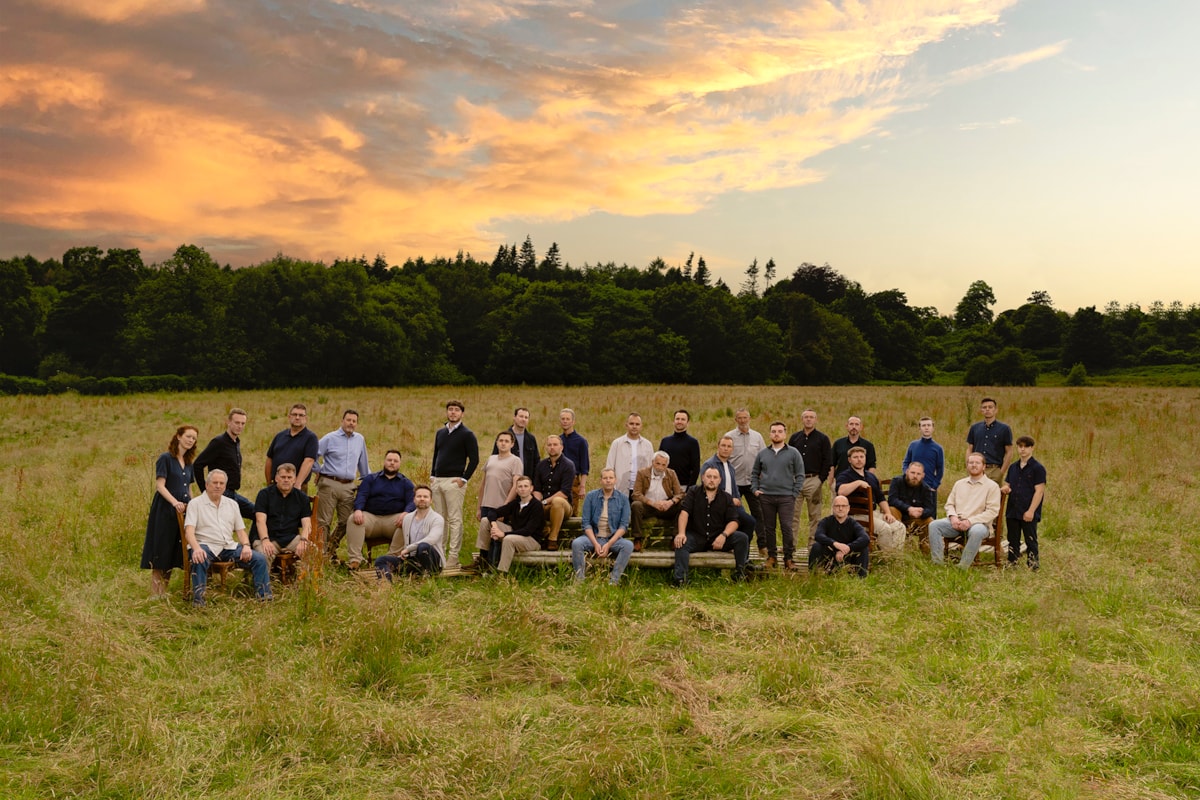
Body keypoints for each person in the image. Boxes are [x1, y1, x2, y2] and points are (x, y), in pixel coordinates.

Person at [183, 469, 271, 607]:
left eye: (221, 483)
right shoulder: (195, 504)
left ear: (225, 486)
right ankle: (199, 602)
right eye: (215, 483)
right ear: (207, 485)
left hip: (228, 547)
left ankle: (264, 598)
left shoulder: (232, 504)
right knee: (199, 558)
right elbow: (189, 532)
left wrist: (246, 546)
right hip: (204, 545)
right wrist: (196, 548)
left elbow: (241, 531)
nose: (218, 486)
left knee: (259, 558)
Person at [141, 424, 198, 597]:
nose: (191, 440)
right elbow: (160, 486)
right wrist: (175, 502)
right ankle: (155, 594)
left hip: (182, 512)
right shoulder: (165, 458)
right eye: (188, 436)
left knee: (173, 551)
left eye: (194, 438)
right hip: (165, 510)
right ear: (179, 436)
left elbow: (188, 489)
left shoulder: (188, 463)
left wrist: (193, 505)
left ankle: (163, 592)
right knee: (161, 551)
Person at [672, 466, 752, 586]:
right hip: (697, 536)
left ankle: (739, 574)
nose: (712, 480)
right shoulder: (693, 492)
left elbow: (734, 521)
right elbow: (684, 513)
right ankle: (681, 579)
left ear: (720, 480)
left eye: (715, 477)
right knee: (681, 542)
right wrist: (681, 533)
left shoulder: (726, 497)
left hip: (717, 538)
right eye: (709, 477)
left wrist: (724, 535)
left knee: (742, 538)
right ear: (703, 478)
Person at [345, 449, 416, 570]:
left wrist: (406, 513)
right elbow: (361, 495)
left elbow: (412, 501)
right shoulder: (370, 479)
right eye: (389, 460)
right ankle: (355, 560)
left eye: (395, 461)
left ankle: (391, 559)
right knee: (353, 519)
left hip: (393, 521)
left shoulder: (406, 483)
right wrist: (358, 510)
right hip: (371, 518)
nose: (392, 463)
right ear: (384, 461)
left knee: (408, 521)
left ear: (400, 464)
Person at [928, 453, 1002, 568]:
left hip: (979, 524)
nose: (974, 465)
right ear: (967, 466)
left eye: (977, 463)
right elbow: (949, 504)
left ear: (984, 466)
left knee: (977, 531)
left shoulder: (992, 486)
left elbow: (992, 511)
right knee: (934, 525)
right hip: (957, 523)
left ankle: (962, 566)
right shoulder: (959, 484)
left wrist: (970, 521)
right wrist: (953, 517)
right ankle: (937, 563)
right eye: (971, 462)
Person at [313, 409, 370, 557]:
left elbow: (363, 464)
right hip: (329, 483)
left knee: (347, 521)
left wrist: (368, 482)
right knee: (323, 521)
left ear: (357, 424)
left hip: (349, 486)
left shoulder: (360, 440)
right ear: (342, 421)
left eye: (354, 421)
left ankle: (330, 548)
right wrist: (318, 470)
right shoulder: (330, 438)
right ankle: (321, 554)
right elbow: (312, 455)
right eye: (348, 420)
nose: (351, 423)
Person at [430, 400, 479, 567]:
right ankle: (439, 554)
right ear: (447, 412)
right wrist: (432, 475)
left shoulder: (467, 434)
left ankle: (453, 557)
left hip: (454, 482)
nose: (453, 412)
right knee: (439, 519)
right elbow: (436, 455)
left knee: (454, 520)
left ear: (462, 414)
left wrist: (464, 479)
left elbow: (474, 459)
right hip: (438, 481)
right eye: (450, 409)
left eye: (456, 410)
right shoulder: (440, 433)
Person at [750, 421, 805, 570]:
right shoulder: (763, 453)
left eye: (780, 431)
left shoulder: (793, 453)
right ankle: (772, 557)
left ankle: (788, 559)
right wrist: (755, 489)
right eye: (774, 431)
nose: (776, 434)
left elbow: (800, 474)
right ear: (770, 434)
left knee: (786, 527)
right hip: (766, 496)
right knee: (769, 528)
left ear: (785, 434)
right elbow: (754, 473)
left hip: (786, 497)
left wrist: (794, 493)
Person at [836, 447, 907, 552]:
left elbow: (880, 498)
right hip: (856, 515)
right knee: (885, 529)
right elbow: (841, 491)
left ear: (865, 458)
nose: (859, 460)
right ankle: (886, 557)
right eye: (855, 457)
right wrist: (858, 483)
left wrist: (888, 513)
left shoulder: (871, 476)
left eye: (861, 457)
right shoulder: (844, 476)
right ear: (849, 460)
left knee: (900, 527)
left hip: (874, 513)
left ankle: (894, 555)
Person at [571, 468, 634, 585]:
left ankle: (614, 580)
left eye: (611, 478)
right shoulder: (591, 496)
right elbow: (586, 523)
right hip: (593, 537)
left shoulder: (623, 499)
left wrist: (608, 544)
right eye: (605, 478)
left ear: (615, 480)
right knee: (577, 543)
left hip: (612, 538)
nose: (608, 480)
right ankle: (580, 580)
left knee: (628, 545)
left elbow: (623, 526)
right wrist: (595, 544)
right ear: (600, 480)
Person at [193, 408, 255, 522]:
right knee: (224, 525)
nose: (240, 426)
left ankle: (255, 535)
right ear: (228, 422)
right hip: (220, 493)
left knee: (258, 513)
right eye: (237, 423)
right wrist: (205, 490)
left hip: (232, 493)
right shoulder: (219, 442)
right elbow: (198, 465)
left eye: (243, 423)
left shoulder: (236, 442)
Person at [473, 431, 523, 567]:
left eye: (507, 441)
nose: (503, 443)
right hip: (486, 504)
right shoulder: (491, 459)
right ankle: (482, 564)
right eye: (501, 440)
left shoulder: (515, 461)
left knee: (496, 536)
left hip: (500, 506)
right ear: (496, 443)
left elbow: (515, 485)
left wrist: (504, 508)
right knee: (485, 534)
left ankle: (493, 566)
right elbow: (483, 484)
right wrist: (479, 507)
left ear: (512, 444)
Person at [374, 485, 445, 580]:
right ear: (414, 499)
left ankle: (427, 576)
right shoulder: (407, 518)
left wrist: (408, 549)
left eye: (425, 497)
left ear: (431, 500)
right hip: (411, 560)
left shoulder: (437, 519)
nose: (422, 499)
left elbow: (431, 539)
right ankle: (386, 583)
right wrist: (403, 554)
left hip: (431, 561)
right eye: (419, 496)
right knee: (381, 560)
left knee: (423, 547)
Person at [253, 462, 313, 570]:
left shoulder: (302, 497)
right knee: (263, 556)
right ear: (276, 478)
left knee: (313, 552)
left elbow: (307, 523)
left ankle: (304, 580)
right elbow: (260, 521)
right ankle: (263, 581)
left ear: (294, 480)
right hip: (268, 537)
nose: (286, 480)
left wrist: (303, 540)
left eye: (289, 477)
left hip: (290, 538)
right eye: (283, 477)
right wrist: (265, 540)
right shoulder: (264, 494)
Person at [1001, 436, 1046, 570]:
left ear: (1032, 448)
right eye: (1020, 446)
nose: (1023, 449)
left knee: (1030, 538)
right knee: (1012, 538)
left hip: (1028, 509)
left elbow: (1039, 491)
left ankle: (1033, 565)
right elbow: (1008, 484)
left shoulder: (1038, 468)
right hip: (1013, 509)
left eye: (1026, 446)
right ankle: (1012, 562)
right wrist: (1005, 488)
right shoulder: (1013, 467)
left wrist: (1031, 511)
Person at [788, 409, 833, 546]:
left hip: (814, 480)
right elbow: (788, 458)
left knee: (815, 516)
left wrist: (820, 479)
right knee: (792, 515)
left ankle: (813, 547)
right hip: (796, 481)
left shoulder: (823, 439)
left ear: (815, 420)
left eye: (811, 417)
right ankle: (791, 546)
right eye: (806, 417)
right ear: (802, 419)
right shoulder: (794, 438)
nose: (808, 419)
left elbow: (827, 460)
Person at [725, 408, 766, 554]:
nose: (743, 421)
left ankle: (762, 545)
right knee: (732, 513)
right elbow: (724, 456)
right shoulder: (729, 436)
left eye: (745, 418)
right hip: (734, 482)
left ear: (749, 418)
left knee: (758, 513)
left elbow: (763, 457)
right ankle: (732, 543)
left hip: (752, 482)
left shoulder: (757, 437)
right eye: (740, 418)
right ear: (736, 420)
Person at [486, 475, 546, 573]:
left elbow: (528, 530)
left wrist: (503, 534)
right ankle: (484, 557)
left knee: (508, 539)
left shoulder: (536, 506)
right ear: (516, 490)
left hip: (532, 540)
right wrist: (495, 526)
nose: (523, 489)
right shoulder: (516, 503)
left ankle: (501, 573)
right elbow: (493, 512)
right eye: (520, 486)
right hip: (516, 534)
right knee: (485, 521)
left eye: (526, 486)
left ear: (531, 488)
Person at [699, 435, 757, 536]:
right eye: (723, 445)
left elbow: (735, 488)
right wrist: (729, 500)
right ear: (718, 447)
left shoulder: (730, 467)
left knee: (749, 522)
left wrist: (738, 502)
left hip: (732, 505)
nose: (726, 449)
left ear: (732, 449)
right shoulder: (709, 465)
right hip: (717, 505)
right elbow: (707, 488)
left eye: (729, 446)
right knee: (747, 522)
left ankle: (740, 545)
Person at [629, 451, 685, 551]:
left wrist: (670, 502)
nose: (660, 467)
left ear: (667, 465)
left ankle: (675, 538)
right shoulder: (642, 473)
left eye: (663, 465)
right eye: (658, 463)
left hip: (665, 506)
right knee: (636, 505)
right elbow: (636, 494)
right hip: (649, 506)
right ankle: (637, 539)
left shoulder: (671, 473)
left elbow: (680, 493)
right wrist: (652, 503)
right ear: (652, 462)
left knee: (682, 504)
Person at [532, 434, 576, 551]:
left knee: (557, 501)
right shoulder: (541, 465)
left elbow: (564, 492)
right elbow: (537, 489)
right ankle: (539, 535)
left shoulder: (568, 465)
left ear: (561, 447)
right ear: (546, 447)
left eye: (555, 445)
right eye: (549, 445)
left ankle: (552, 539)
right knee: (531, 505)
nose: (552, 447)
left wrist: (544, 502)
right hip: (545, 506)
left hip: (563, 506)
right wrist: (537, 503)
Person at [809, 496, 870, 578]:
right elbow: (818, 535)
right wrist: (835, 544)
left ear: (848, 508)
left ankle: (861, 578)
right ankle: (814, 576)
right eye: (837, 506)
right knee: (816, 546)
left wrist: (847, 548)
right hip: (830, 558)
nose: (840, 509)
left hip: (848, 559)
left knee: (864, 548)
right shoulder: (826, 521)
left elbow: (865, 538)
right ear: (833, 508)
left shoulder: (853, 524)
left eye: (843, 506)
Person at [264, 403, 318, 489]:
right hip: (276, 485)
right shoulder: (280, 436)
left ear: (306, 418)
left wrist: (297, 484)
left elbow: (309, 461)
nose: (297, 417)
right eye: (294, 414)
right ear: (289, 417)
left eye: (301, 415)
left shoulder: (310, 438)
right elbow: (269, 458)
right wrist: (269, 482)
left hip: (296, 486)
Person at [604, 413, 654, 495]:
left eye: (637, 424)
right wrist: (611, 486)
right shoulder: (617, 443)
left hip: (641, 491)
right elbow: (609, 467)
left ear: (641, 426)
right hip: (620, 489)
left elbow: (651, 468)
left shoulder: (648, 445)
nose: (634, 426)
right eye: (631, 424)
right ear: (626, 425)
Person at [967, 397, 1014, 484]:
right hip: (977, 468)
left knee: (993, 493)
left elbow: (1009, 452)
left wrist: (1001, 472)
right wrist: (969, 467)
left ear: (995, 410)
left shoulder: (1004, 429)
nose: (987, 409)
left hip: (994, 469)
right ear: (981, 410)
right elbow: (970, 449)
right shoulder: (975, 428)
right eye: (984, 407)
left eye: (990, 407)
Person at [888, 461, 937, 542]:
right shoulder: (897, 481)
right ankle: (897, 543)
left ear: (923, 475)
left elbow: (930, 508)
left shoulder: (926, 489)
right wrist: (909, 509)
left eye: (918, 474)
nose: (915, 476)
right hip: (899, 516)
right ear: (907, 472)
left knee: (930, 521)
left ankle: (925, 547)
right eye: (912, 473)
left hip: (915, 519)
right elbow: (892, 500)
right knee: (892, 509)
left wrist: (921, 512)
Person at [492, 407, 540, 479]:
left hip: (526, 481)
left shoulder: (531, 439)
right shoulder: (503, 437)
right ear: (514, 417)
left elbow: (536, 461)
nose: (523, 419)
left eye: (526, 417)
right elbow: (495, 458)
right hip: (507, 479)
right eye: (521, 416)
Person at [558, 408, 590, 514]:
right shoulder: (558, 440)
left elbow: (585, 467)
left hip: (573, 481)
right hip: (558, 480)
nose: (565, 421)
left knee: (573, 510)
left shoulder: (581, 441)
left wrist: (582, 487)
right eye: (563, 419)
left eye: (568, 419)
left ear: (573, 422)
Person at [659, 409, 701, 486]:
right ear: (673, 421)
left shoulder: (693, 443)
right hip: (665, 485)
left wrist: (689, 489)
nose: (679, 421)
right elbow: (659, 464)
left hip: (684, 486)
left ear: (688, 423)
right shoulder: (665, 441)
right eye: (677, 419)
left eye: (683, 419)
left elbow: (696, 468)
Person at [902, 416, 945, 490]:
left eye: (929, 425)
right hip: (912, 485)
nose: (926, 428)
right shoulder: (913, 445)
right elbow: (906, 463)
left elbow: (940, 469)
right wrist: (907, 475)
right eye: (924, 425)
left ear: (933, 428)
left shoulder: (938, 448)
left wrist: (934, 486)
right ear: (919, 428)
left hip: (929, 487)